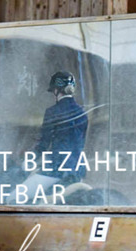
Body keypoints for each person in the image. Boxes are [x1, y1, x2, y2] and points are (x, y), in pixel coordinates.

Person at [15, 71, 88, 203]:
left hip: (57, 169)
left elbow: (44, 144)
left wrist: (30, 160)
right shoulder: (82, 111)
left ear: (56, 90)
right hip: (78, 170)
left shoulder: (52, 112)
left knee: (14, 198)